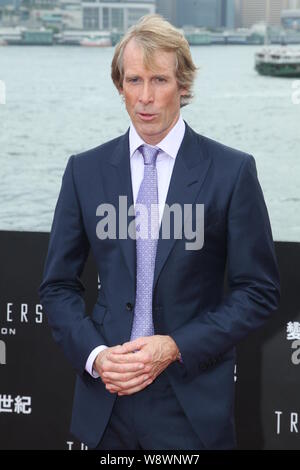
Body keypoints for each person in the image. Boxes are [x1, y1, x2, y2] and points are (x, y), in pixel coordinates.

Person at [39, 14, 280, 450]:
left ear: (183, 86)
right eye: (134, 80)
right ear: (120, 86)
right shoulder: (84, 171)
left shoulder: (231, 172)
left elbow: (257, 291)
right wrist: (96, 357)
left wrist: (174, 346)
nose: (145, 98)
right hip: (105, 401)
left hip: (189, 403)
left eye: (159, 80)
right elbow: (57, 285)